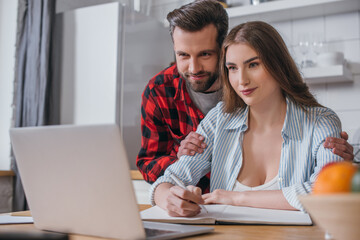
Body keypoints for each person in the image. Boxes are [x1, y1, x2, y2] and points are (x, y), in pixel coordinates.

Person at [136, 0, 354, 194]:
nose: (242, 80)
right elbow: (166, 173)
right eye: (183, 55)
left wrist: (232, 200)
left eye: (205, 54)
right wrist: (169, 187)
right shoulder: (210, 115)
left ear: (221, 50)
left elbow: (324, 192)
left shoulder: (318, 121)